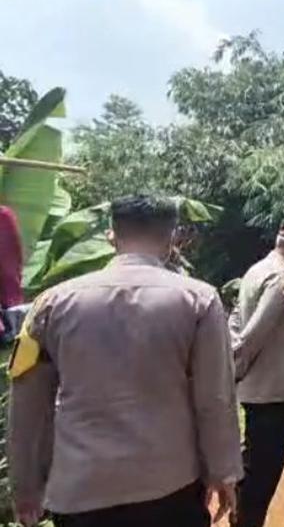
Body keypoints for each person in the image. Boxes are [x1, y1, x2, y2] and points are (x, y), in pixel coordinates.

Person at [6, 195, 241, 527]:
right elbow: (214, 399)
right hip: (169, 487)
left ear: (111, 236)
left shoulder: (51, 303)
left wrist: (26, 487)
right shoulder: (198, 300)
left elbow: (28, 403)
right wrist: (223, 472)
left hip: (81, 491)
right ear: (172, 238)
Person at [229, 218, 284, 527]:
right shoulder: (283, 280)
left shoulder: (257, 270)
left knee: (253, 467)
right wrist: (234, 371)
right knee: (262, 477)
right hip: (274, 393)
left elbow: (235, 323)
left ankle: (243, 517)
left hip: (263, 389)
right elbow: (252, 336)